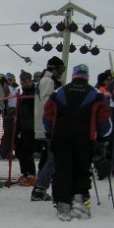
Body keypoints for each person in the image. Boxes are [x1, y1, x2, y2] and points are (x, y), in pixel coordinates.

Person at [43, 64, 111, 221]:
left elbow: (47, 115)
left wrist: (48, 134)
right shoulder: (96, 94)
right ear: (87, 76)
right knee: (82, 168)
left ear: (73, 75)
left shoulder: (59, 92)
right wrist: (102, 137)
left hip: (60, 136)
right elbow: (104, 120)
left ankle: (62, 204)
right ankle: (79, 200)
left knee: (62, 168)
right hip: (85, 137)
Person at [31, 56, 65, 202]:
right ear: (54, 68)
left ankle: (40, 187)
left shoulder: (46, 81)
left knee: (49, 157)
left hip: (45, 124)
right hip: (48, 125)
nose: (62, 72)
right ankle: (39, 189)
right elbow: (48, 104)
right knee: (53, 158)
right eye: (61, 69)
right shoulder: (48, 81)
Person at [15, 70, 38, 185]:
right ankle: (25, 173)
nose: (25, 83)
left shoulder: (34, 92)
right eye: (23, 81)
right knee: (19, 151)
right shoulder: (23, 94)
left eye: (27, 81)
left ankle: (31, 174)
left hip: (32, 127)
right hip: (23, 126)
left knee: (26, 150)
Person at [0, 72, 19, 160]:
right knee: (8, 133)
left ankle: (8, 152)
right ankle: (2, 153)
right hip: (9, 112)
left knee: (12, 133)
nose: (11, 81)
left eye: (12, 79)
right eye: (8, 80)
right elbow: (4, 98)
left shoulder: (15, 88)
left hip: (15, 112)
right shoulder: (7, 88)